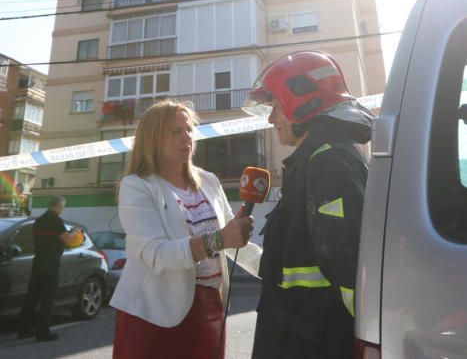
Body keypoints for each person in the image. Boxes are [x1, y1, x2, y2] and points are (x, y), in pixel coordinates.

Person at [243, 51, 373, 359]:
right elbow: (291, 266)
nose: (271, 118)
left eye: (275, 106)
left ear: (301, 103)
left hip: (311, 345)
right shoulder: (316, 163)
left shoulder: (327, 165)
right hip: (301, 339)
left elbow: (350, 273)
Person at [110, 99, 262, 359]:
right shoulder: (136, 186)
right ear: (153, 139)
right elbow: (157, 254)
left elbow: (233, 240)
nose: (187, 137)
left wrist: (278, 271)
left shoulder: (209, 181)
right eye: (175, 132)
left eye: (189, 129)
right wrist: (219, 239)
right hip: (153, 315)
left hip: (210, 309)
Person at [18, 196, 78, 341]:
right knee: (47, 298)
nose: (62, 210)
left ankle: (24, 329)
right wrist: (74, 233)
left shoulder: (38, 221)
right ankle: (43, 332)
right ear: (58, 206)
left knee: (32, 296)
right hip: (51, 262)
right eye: (62, 207)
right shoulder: (56, 220)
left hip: (38, 261)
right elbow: (66, 239)